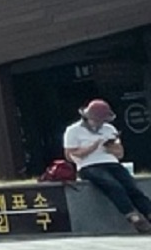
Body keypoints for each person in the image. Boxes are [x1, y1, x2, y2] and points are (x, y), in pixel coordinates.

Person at [64, 99, 151, 233]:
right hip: (88, 165)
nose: (100, 123)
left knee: (131, 186)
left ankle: (148, 211)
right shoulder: (73, 130)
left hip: (111, 162)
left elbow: (120, 153)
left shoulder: (109, 129)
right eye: (97, 120)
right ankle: (133, 216)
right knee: (112, 185)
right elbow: (70, 155)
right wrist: (91, 148)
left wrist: (110, 147)